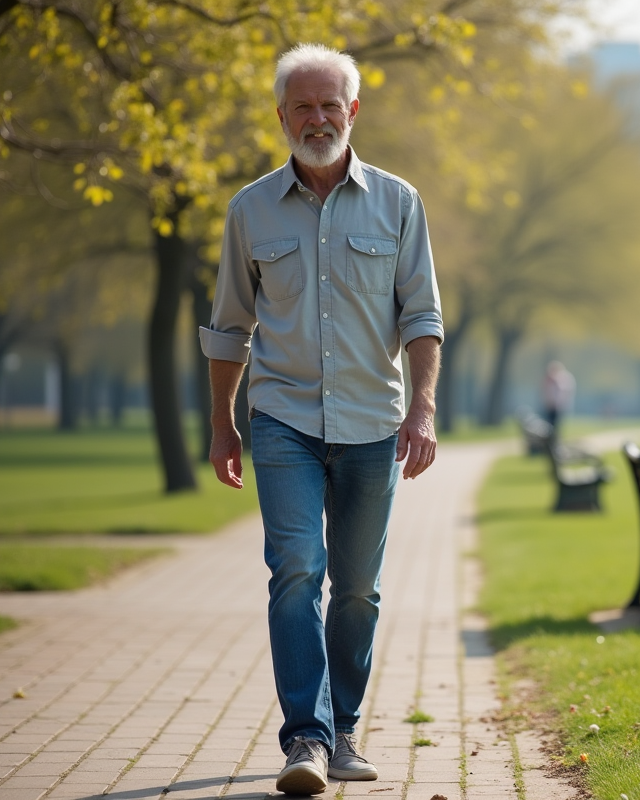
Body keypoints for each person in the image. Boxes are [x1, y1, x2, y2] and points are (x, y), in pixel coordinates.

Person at [199, 43, 442, 796]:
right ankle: (305, 737)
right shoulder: (249, 211)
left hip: (373, 423)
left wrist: (424, 408)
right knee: (297, 569)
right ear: (281, 116)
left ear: (353, 110)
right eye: (302, 106)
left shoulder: (399, 203)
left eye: (329, 104)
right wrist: (223, 424)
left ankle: (345, 731)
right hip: (282, 419)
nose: (317, 118)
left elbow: (423, 316)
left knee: (358, 587)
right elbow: (229, 327)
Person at [540, 360, 575, 438]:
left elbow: (564, 392)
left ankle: (555, 438)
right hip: (549, 406)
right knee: (548, 423)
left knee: (557, 424)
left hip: (559, 406)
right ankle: (549, 438)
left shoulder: (563, 378)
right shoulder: (548, 379)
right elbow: (545, 391)